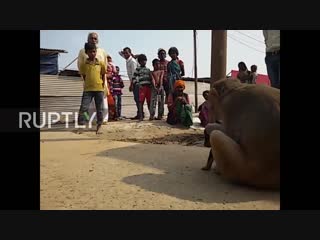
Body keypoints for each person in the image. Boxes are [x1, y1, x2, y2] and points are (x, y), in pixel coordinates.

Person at [77, 32, 109, 124]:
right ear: (88, 39)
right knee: (87, 105)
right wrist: (85, 79)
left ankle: (103, 120)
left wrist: (103, 81)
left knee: (102, 103)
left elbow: (105, 66)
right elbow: (80, 65)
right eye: (91, 38)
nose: (93, 40)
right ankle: (89, 120)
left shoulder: (102, 51)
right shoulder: (82, 51)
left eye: (95, 38)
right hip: (88, 81)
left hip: (100, 81)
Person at [121, 47, 142, 119]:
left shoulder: (132, 61)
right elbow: (119, 53)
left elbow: (134, 74)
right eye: (124, 53)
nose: (125, 54)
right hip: (134, 82)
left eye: (127, 53)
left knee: (138, 98)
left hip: (136, 82)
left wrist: (132, 84)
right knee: (137, 98)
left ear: (130, 53)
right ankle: (140, 113)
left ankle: (140, 113)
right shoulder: (128, 61)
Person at [132, 54, 152, 121]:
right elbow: (133, 78)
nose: (143, 62)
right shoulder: (137, 69)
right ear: (139, 62)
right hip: (142, 87)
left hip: (148, 87)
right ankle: (141, 116)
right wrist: (137, 84)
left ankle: (151, 115)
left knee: (149, 102)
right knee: (141, 102)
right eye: (142, 61)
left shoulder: (148, 70)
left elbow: (151, 79)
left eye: (144, 60)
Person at [106, 55, 117, 120]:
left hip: (112, 88)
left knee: (112, 103)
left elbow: (114, 74)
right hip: (106, 87)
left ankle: (112, 116)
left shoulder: (113, 66)